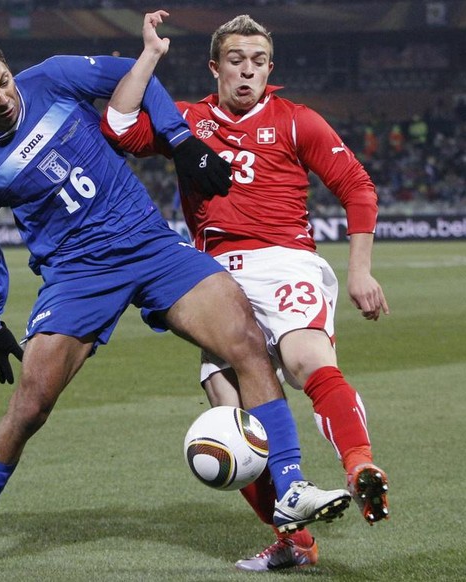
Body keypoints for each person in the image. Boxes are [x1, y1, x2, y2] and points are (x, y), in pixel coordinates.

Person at [0, 12, 350, 577]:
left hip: (150, 244)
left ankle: (292, 485)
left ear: (9, 68)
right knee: (30, 407)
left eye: (4, 80)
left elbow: (140, 76)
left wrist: (179, 139)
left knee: (245, 341)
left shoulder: (53, 77)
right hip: (78, 275)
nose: (3, 97)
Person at [102, 12, 390, 573]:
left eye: (258, 62)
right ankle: (294, 540)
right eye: (235, 60)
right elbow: (118, 126)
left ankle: (360, 467)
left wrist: (360, 271)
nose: (246, 72)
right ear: (215, 66)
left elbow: (356, 186)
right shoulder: (185, 119)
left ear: (270, 69)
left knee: (308, 360)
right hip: (215, 279)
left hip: (284, 262)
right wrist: (150, 56)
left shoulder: (296, 120)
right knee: (228, 424)